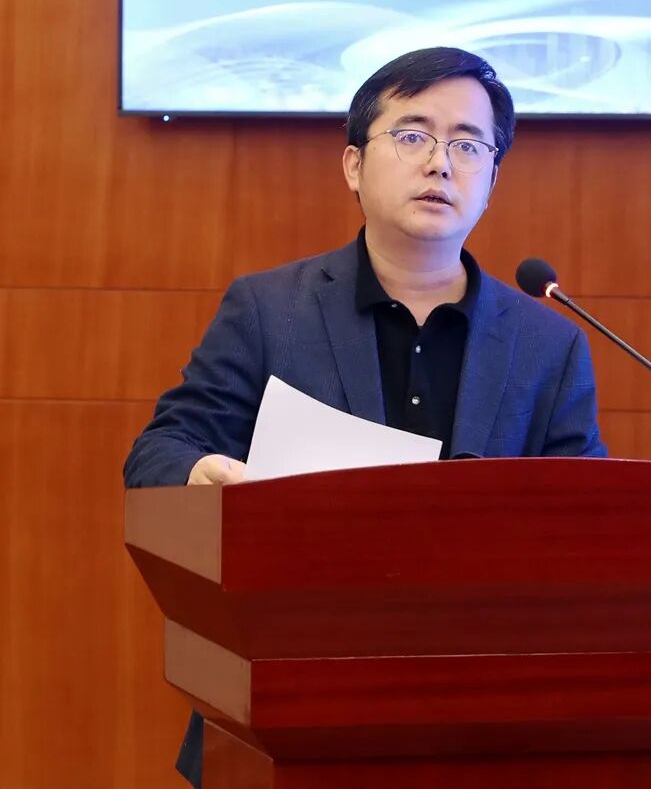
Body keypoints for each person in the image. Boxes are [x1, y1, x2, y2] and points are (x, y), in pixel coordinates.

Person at [123, 46, 607, 786]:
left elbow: (592, 522)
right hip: (288, 705)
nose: (440, 163)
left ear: (492, 179)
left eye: (468, 145)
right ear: (353, 164)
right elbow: (159, 450)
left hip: (483, 721)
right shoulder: (269, 310)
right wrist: (201, 472)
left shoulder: (549, 345)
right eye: (413, 135)